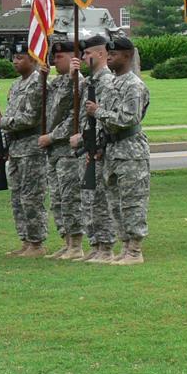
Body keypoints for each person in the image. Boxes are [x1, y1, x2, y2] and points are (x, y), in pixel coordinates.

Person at [85, 36, 150, 265]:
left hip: (130, 151)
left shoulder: (134, 85)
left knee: (132, 202)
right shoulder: (112, 83)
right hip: (112, 149)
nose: (110, 56)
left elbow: (128, 118)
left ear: (128, 56)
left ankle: (135, 250)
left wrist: (98, 111)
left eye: (115, 53)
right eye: (108, 53)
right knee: (115, 202)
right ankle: (124, 247)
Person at [0, 44, 47, 257]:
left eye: (21, 57)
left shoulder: (37, 84)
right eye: (14, 57)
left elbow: (31, 118)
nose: (15, 61)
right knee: (17, 198)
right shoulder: (15, 86)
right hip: (15, 148)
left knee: (32, 197)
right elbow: (12, 117)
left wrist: (2, 121)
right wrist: (2, 147)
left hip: (32, 148)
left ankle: (37, 243)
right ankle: (25, 240)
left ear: (33, 60)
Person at [69, 36, 120, 263]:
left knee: (100, 199)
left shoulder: (107, 82)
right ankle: (96, 244)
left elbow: (106, 116)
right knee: (90, 199)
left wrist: (95, 143)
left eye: (88, 54)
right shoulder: (91, 81)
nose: (83, 58)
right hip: (87, 147)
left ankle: (106, 246)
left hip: (98, 149)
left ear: (100, 54)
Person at [39, 41, 86, 259]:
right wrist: (42, 78)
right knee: (57, 199)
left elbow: (73, 119)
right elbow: (47, 110)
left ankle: (76, 244)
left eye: (59, 57)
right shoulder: (56, 83)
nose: (54, 61)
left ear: (71, 58)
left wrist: (52, 136)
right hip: (53, 152)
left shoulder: (79, 83)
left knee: (70, 198)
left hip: (67, 150)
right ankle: (66, 241)